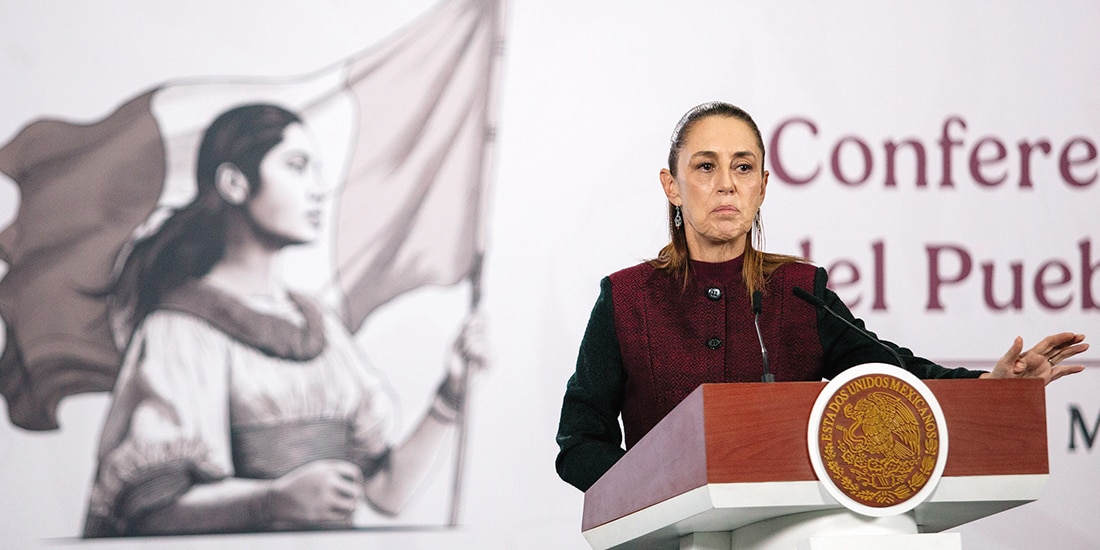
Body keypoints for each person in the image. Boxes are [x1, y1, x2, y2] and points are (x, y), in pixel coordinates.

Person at [554, 101, 1088, 492]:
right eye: (704, 166)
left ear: (762, 186)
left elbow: (895, 373)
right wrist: (651, 489)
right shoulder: (626, 299)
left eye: (743, 167)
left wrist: (992, 388)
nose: (726, 184)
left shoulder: (798, 292)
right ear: (672, 186)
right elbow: (580, 444)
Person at [83, 103, 485, 536]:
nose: (318, 189)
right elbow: (150, 511)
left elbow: (386, 492)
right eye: (297, 167)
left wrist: (450, 395)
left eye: (316, 169)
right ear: (234, 183)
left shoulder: (321, 326)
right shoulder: (180, 329)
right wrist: (273, 500)